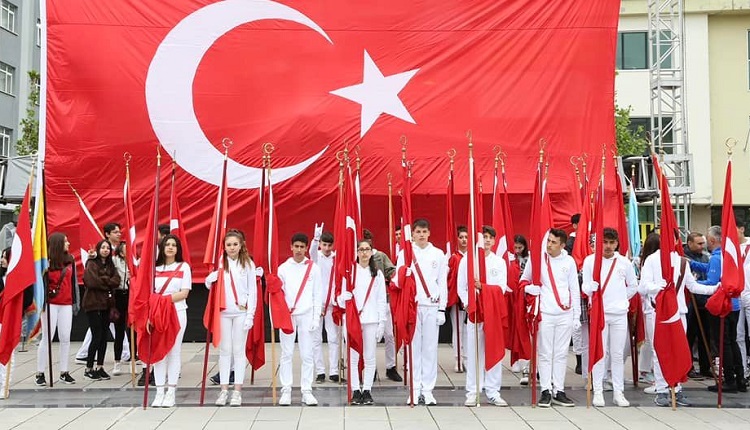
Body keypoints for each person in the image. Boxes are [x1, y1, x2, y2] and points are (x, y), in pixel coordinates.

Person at [638, 231, 718, 407]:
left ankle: (677, 387)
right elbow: (642, 287)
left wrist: (715, 288)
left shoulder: (681, 261)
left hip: (678, 312)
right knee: (660, 352)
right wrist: (656, 288)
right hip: (657, 312)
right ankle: (661, 390)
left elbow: (692, 286)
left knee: (679, 350)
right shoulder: (652, 260)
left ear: (676, 240)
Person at [521, 228, 580, 408]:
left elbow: (574, 289)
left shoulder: (569, 262)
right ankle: (545, 390)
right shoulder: (537, 259)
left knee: (561, 353)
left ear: (562, 245)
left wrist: (576, 315)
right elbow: (523, 280)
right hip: (545, 313)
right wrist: (529, 289)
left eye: (554, 242)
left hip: (565, 313)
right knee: (545, 353)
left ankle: (558, 390)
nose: (549, 245)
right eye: (548, 240)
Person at [582, 228, 638, 407]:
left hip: (619, 314)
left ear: (617, 243)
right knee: (600, 353)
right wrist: (591, 288)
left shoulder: (624, 262)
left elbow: (633, 286)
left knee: (617, 354)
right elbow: (585, 287)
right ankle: (598, 391)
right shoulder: (590, 261)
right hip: (600, 314)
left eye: (611, 242)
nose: (608, 246)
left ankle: (618, 392)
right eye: (605, 242)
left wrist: (622, 299)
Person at [394, 219, 448, 405]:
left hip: (432, 306)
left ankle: (428, 390)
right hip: (413, 306)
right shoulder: (405, 253)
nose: (422, 235)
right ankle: (415, 389)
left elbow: (442, 282)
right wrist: (404, 273)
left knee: (430, 349)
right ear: (413, 234)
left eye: (424, 231)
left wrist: (442, 308)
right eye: (418, 232)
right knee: (414, 349)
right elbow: (397, 280)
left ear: (429, 233)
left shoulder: (438, 254)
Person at [688, 226, 746, 393]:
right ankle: (740, 378)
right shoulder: (728, 255)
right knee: (732, 342)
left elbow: (712, 282)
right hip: (734, 304)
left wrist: (692, 284)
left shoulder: (715, 257)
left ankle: (729, 380)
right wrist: (691, 263)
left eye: (707, 240)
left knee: (723, 344)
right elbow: (710, 270)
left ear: (712, 240)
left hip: (721, 305)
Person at [457, 226, 509, 406]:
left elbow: (502, 288)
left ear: (494, 241)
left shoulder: (499, 262)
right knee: (474, 353)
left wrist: (483, 288)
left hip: (493, 313)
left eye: (490, 237)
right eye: (484, 237)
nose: (487, 240)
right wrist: (468, 303)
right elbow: (461, 286)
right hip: (475, 313)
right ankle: (473, 391)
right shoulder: (468, 260)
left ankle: (493, 391)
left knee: (493, 350)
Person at [205, 230, 256, 406]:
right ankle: (224, 390)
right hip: (223, 313)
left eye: (235, 244)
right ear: (224, 247)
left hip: (241, 312)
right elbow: (210, 286)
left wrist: (250, 315)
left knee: (239, 351)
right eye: (228, 245)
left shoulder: (248, 264)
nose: (232, 247)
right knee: (225, 351)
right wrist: (210, 279)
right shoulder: (220, 263)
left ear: (241, 245)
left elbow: (252, 291)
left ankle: (237, 391)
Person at [337, 239, 387, 405]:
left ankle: (367, 389)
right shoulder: (350, 272)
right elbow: (340, 299)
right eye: (361, 250)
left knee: (369, 356)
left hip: (371, 319)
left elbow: (381, 300)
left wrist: (382, 322)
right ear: (357, 252)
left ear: (372, 252)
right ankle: (355, 390)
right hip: (353, 320)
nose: (364, 253)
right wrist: (343, 298)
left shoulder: (377, 274)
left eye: (367, 249)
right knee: (353, 357)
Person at [277, 233, 323, 406]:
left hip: (306, 314)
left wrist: (316, 318)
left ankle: (306, 390)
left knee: (307, 354)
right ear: (291, 247)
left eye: (302, 247)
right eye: (296, 246)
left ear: (306, 248)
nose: (298, 250)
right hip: (288, 316)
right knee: (286, 353)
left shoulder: (313, 268)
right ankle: (286, 390)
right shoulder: (283, 268)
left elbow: (317, 293)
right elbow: (277, 296)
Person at [150, 234, 192, 408]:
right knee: (159, 353)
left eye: (173, 245)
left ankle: (171, 392)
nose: (170, 247)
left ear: (178, 249)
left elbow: (184, 293)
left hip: (177, 312)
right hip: (158, 314)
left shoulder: (184, 267)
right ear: (162, 247)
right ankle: (159, 391)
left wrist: (163, 300)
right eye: (167, 244)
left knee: (174, 352)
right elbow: (149, 292)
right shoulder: (154, 268)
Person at [35, 233, 80, 386]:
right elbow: (39, 284)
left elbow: (74, 283)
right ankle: (40, 372)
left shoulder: (70, 260)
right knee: (47, 337)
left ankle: (64, 371)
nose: (68, 243)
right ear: (58, 244)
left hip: (66, 303)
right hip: (50, 303)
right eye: (65, 241)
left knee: (65, 337)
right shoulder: (45, 262)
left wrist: (75, 302)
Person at [362, 228, 401, 382]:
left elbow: (392, 271)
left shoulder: (380, 256)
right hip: (365, 304)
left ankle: (391, 367)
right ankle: (369, 368)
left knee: (389, 335)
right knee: (368, 338)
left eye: (368, 242)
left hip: (384, 300)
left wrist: (395, 277)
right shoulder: (356, 260)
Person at [82, 239, 120, 381]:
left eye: (108, 248)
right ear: (98, 249)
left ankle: (100, 366)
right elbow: (91, 281)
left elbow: (116, 280)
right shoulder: (92, 263)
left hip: (106, 304)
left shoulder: (110, 265)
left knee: (104, 336)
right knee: (96, 335)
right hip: (93, 304)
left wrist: (104, 280)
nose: (105, 250)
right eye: (103, 247)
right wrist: (107, 283)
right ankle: (89, 368)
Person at [310, 227, 341, 383]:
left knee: (333, 338)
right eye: (324, 245)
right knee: (316, 339)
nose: (327, 248)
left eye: (329, 245)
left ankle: (334, 371)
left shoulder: (336, 258)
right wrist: (315, 239)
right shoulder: (317, 257)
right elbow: (312, 253)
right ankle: (320, 371)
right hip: (316, 305)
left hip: (331, 304)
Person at [682, 232, 712, 379]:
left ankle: (705, 367)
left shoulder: (705, 257)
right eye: (699, 243)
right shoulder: (683, 258)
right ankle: (688, 367)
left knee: (705, 336)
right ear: (690, 243)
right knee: (689, 335)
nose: (702, 246)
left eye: (703, 243)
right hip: (690, 302)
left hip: (704, 301)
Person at [447, 225, 469, 373]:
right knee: (458, 330)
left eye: (466, 237)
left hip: (471, 299)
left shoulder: (473, 258)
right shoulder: (454, 258)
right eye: (461, 237)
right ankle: (458, 359)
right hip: (457, 299)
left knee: (468, 330)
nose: (464, 240)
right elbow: (450, 279)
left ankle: (467, 358)